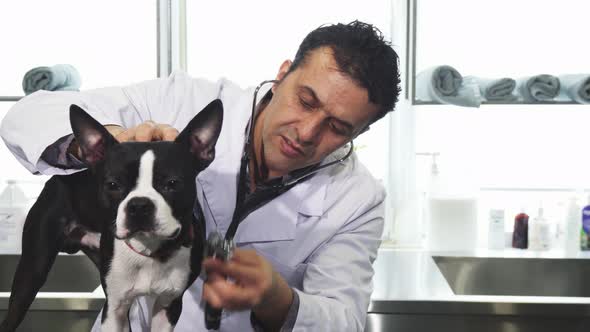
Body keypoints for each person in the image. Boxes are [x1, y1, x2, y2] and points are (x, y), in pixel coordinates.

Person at [0, 20, 400, 331]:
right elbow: (26, 116)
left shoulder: (358, 200)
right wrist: (118, 143)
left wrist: (277, 297)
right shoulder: (182, 101)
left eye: (339, 128)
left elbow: (343, 318)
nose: (307, 132)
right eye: (305, 100)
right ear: (282, 75)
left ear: (360, 133)